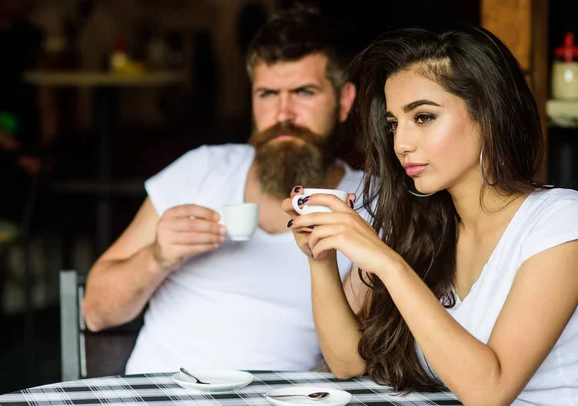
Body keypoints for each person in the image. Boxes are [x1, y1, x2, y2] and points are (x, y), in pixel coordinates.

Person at [284, 25, 578, 405]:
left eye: (423, 117)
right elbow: (346, 361)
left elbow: (491, 392)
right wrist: (320, 257)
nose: (401, 144)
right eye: (393, 124)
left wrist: (388, 264)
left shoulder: (559, 223)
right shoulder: (416, 225)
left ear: (488, 113)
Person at [82, 5, 368, 374]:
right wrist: (156, 257)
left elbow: (358, 357)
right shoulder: (201, 170)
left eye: (304, 92)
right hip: (160, 395)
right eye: (267, 94)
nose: (283, 113)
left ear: (344, 101)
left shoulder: (367, 203)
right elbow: (96, 312)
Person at [0, 0, 58, 222]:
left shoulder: (31, 36)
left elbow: (45, 97)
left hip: (25, 137)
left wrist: (45, 145)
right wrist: (15, 150)